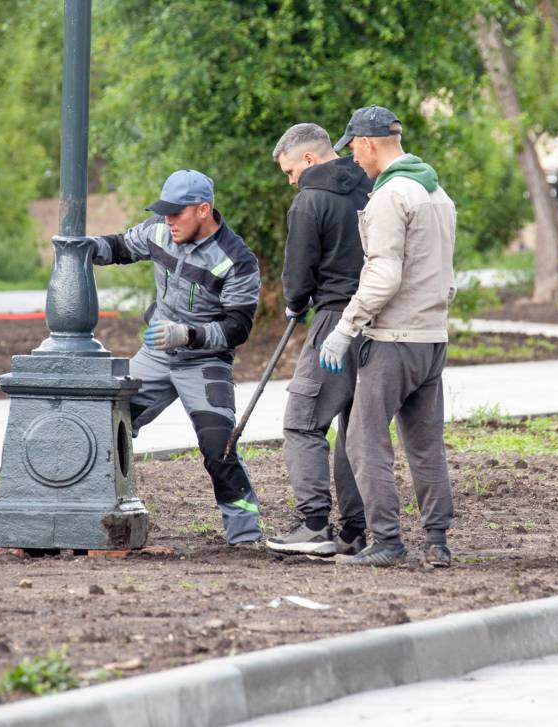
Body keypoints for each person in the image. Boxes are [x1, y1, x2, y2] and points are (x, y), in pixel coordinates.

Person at [318, 106, 458, 568]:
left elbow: (382, 275)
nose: (353, 157)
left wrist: (345, 328)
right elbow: (446, 277)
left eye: (353, 146)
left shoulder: (388, 197)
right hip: (432, 340)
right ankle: (437, 541)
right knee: (424, 442)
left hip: (394, 340)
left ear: (371, 142)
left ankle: (387, 540)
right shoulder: (437, 194)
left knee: (362, 438)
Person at [91, 169, 262, 545]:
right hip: (155, 356)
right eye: (164, 212)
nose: (168, 221)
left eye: (176, 213)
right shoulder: (158, 231)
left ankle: (246, 537)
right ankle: (92, 516)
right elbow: (120, 247)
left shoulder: (237, 261)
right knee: (103, 425)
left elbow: (238, 327)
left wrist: (188, 335)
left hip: (206, 362)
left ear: (203, 210)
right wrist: (86, 248)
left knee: (220, 449)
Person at [264, 123, 373, 557]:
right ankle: (355, 529)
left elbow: (298, 274)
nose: (291, 180)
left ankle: (313, 525)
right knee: (354, 426)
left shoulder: (310, 201)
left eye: (290, 171)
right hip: (376, 319)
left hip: (333, 320)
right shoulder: (370, 186)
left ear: (308, 159)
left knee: (303, 420)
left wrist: (295, 302)